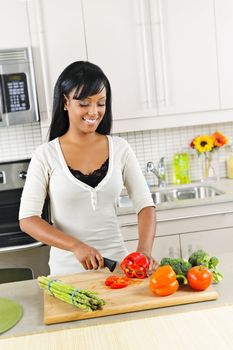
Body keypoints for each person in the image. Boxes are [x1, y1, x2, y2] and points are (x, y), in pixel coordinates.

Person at [19, 61, 156, 276]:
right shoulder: (45, 155)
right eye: (84, 103)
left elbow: (145, 205)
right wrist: (76, 246)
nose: (94, 111)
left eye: (101, 103)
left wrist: (144, 252)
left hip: (119, 268)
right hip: (67, 273)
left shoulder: (120, 148)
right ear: (66, 102)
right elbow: (28, 220)